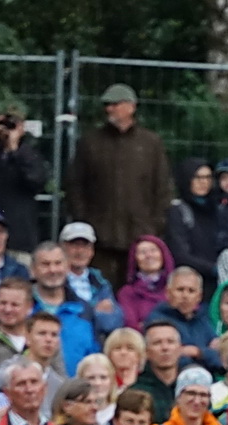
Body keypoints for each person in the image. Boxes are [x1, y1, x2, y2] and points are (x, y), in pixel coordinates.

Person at [64, 85, 172, 287]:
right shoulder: (90, 143)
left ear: (131, 107)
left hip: (140, 237)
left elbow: (163, 188)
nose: (109, 109)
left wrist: (154, 227)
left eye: (115, 104)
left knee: (138, 292)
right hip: (99, 238)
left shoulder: (150, 143)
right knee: (99, 291)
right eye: (107, 105)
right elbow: (74, 185)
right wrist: (85, 221)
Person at [30, 241, 114, 375]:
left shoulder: (84, 310)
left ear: (67, 267)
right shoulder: (21, 308)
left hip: (77, 391)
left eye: (58, 263)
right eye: (45, 264)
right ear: (33, 270)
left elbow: (94, 357)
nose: (52, 270)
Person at [0, 108, 50, 258]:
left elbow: (36, 181)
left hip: (19, 233)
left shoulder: (30, 153)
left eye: (12, 124)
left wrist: (14, 151)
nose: (7, 128)